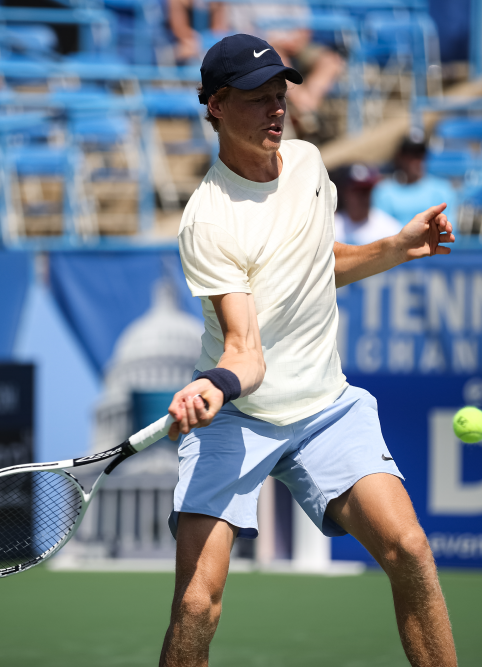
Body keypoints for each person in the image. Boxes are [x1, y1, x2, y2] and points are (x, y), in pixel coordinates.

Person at [162, 34, 457, 667]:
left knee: (410, 551)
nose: (276, 109)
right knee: (195, 605)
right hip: (238, 411)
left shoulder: (305, 164)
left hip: (325, 406)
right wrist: (215, 385)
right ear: (214, 106)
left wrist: (396, 247)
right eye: (256, 99)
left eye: (279, 95)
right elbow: (246, 350)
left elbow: (316, 264)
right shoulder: (209, 219)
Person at [168, 0, 343, 135]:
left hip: (290, 47)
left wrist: (295, 41)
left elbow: (304, 29)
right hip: (262, 49)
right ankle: (306, 112)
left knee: (331, 61)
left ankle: (305, 109)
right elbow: (238, 32)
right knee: (277, 59)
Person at [373, 135, 458, 229]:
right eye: (409, 155)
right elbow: (380, 230)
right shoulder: (383, 192)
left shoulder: (443, 190)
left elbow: (449, 228)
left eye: (419, 154)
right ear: (400, 157)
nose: (415, 160)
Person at [334, 163, 402, 244]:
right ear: (345, 192)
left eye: (366, 190)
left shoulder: (391, 230)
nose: (363, 197)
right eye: (357, 190)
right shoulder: (329, 228)